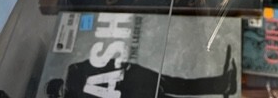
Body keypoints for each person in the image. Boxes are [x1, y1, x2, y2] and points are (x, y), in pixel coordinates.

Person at [44, 44, 237, 97]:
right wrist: (124, 66)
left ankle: (223, 84)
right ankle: (222, 84)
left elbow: (99, 64)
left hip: (130, 85)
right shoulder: (74, 70)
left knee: (173, 85)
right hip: (131, 80)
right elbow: (99, 63)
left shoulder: (74, 75)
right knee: (175, 84)